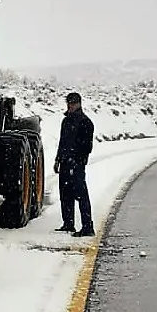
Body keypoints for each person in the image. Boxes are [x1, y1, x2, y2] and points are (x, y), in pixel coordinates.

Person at [54, 91, 94, 236]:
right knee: (65, 195)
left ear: (78, 104)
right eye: (69, 103)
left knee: (81, 194)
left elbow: (87, 147)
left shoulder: (86, 122)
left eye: (73, 103)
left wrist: (78, 161)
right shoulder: (66, 121)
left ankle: (87, 227)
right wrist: (58, 159)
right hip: (65, 162)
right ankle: (68, 223)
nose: (70, 106)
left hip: (76, 165)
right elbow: (62, 142)